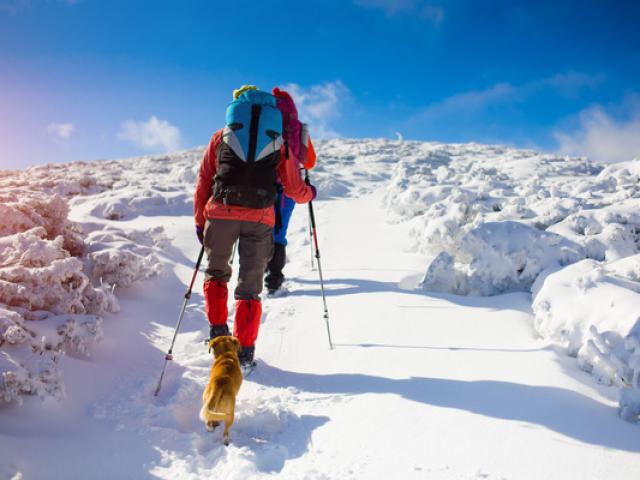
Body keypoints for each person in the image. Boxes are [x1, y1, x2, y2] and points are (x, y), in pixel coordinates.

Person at [193, 85, 316, 368]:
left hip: (220, 214)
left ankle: (218, 333)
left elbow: (204, 182)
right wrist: (310, 194)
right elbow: (293, 188)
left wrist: (201, 221)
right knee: (250, 288)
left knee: (216, 274)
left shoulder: (219, 136)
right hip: (260, 218)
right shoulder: (279, 141)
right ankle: (245, 353)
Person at [265, 87, 317, 294]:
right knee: (279, 232)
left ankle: (257, 270)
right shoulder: (298, 128)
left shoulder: (263, 124)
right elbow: (309, 161)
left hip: (261, 184)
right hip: (288, 187)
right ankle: (274, 279)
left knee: (259, 229)